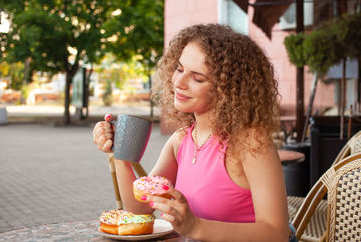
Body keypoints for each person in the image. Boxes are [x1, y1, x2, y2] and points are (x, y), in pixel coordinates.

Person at [93, 24, 291, 241]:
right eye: (179, 68)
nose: (178, 82)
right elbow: (139, 208)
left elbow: (277, 232)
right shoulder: (181, 140)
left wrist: (195, 227)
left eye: (197, 78)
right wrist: (120, 153)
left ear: (228, 88)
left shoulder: (251, 142)